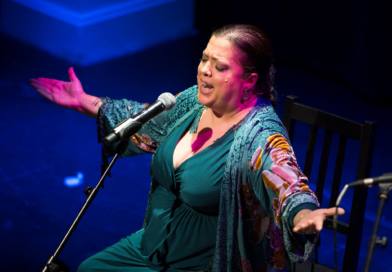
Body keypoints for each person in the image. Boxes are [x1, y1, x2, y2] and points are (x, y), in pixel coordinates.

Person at [31, 24, 344, 272]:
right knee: (91, 268)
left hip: (208, 261)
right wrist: (83, 102)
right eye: (204, 58)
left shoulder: (259, 134)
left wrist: (301, 212)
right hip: (155, 245)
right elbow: (145, 118)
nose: (205, 70)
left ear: (249, 80)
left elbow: (284, 178)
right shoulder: (193, 101)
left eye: (219, 66)